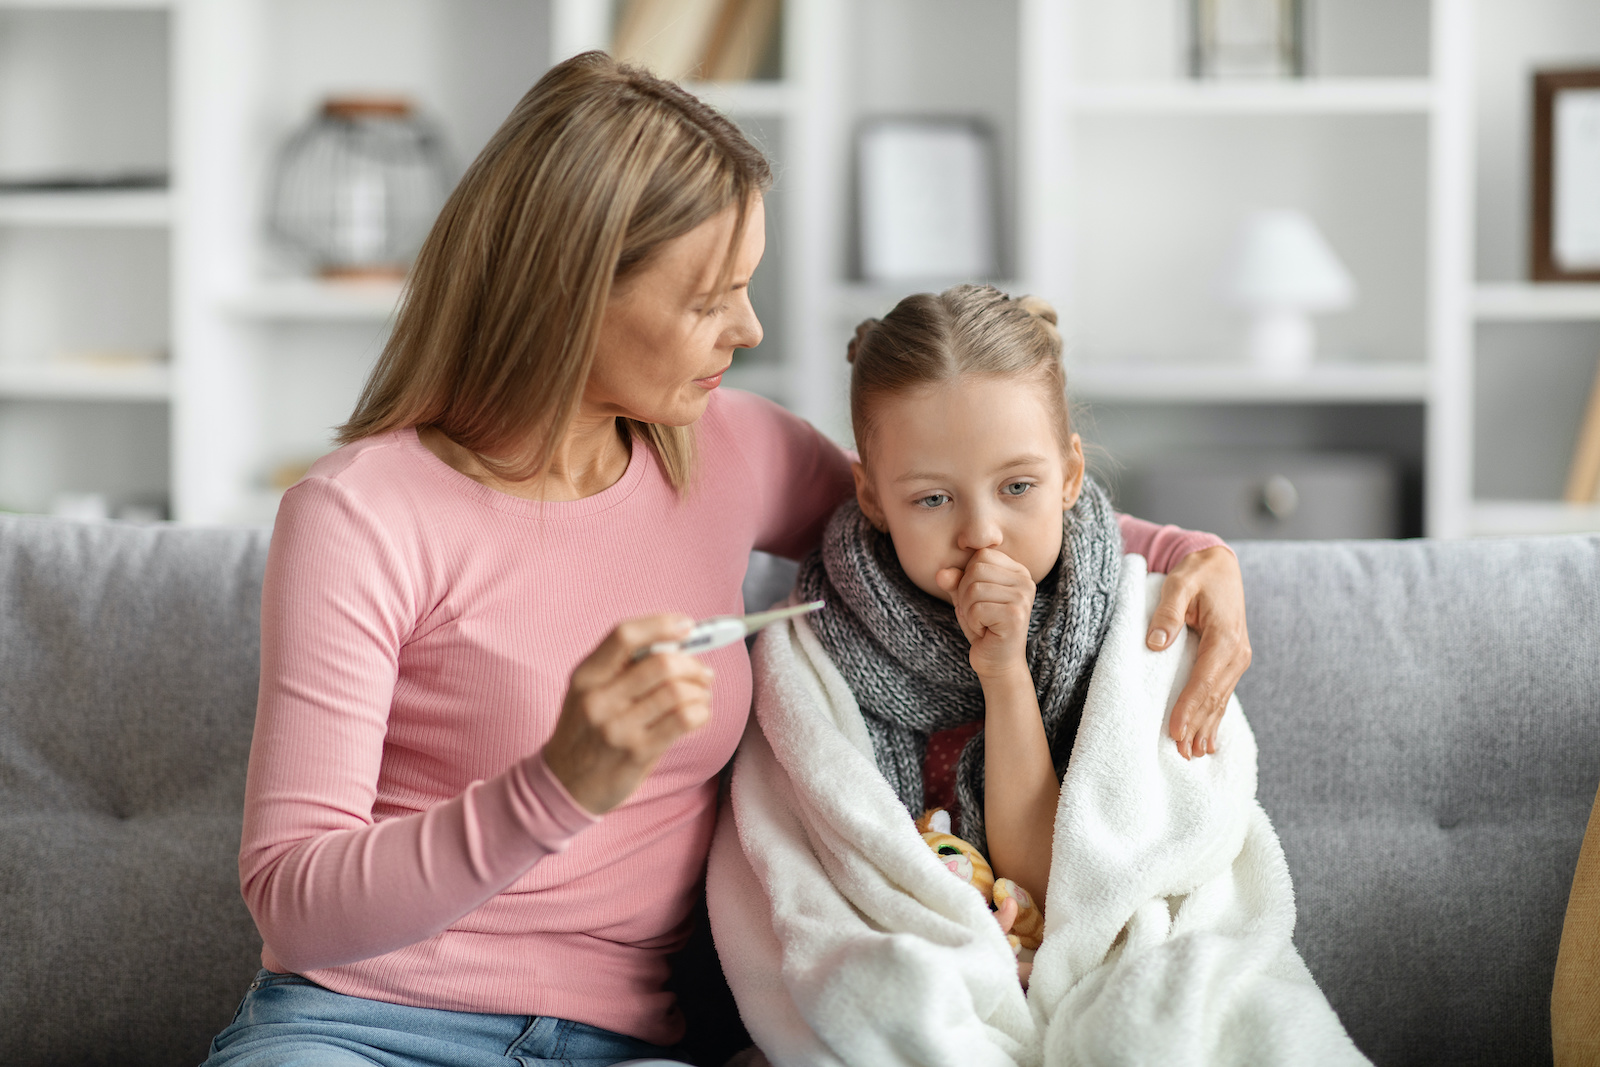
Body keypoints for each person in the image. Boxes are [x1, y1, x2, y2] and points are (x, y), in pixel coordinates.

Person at [201, 53, 1251, 1066]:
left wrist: (1188, 553)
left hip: (620, 1041)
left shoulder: (731, 450)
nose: (746, 329)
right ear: (570, 292)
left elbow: (946, 504)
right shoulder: (359, 514)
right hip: (356, 1025)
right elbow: (295, 894)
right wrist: (556, 785)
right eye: (709, 299)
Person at [796, 284, 1229, 919]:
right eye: (933, 499)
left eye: (1017, 486)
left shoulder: (1126, 619)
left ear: (1070, 476)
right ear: (871, 497)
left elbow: (1056, 885)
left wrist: (1004, 671)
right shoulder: (824, 629)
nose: (981, 533)